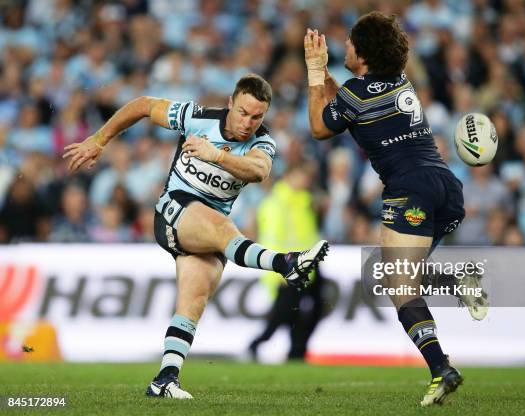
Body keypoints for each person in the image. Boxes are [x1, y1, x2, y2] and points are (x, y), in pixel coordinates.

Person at [63, 74, 329, 399]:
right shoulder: (196, 117)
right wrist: (100, 139)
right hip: (174, 211)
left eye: (257, 116)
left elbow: (258, 171)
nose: (248, 122)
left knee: (194, 300)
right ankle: (285, 262)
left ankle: (165, 379)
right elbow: (144, 105)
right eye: (243, 112)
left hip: (206, 232)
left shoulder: (263, 142)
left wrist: (215, 155)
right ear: (231, 103)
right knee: (222, 228)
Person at [304, 12, 486, 406]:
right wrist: (327, 78)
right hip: (445, 188)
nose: (345, 48)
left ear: (364, 51)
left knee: (398, 285)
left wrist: (315, 71)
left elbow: (320, 127)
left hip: (410, 189)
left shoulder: (356, 92)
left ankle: (441, 369)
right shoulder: (397, 83)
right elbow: (347, 102)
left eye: (351, 43)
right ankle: (460, 285)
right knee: (404, 274)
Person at [249, 165, 328, 361]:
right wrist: (277, 270)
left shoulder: (306, 202)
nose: (305, 181)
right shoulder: (275, 204)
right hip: (289, 268)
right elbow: (271, 240)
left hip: (311, 267)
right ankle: (259, 344)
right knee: (284, 314)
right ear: (288, 177)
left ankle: (296, 350)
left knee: (311, 309)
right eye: (301, 176)